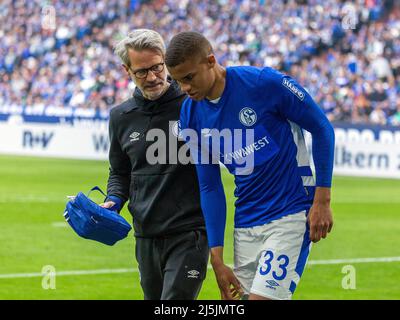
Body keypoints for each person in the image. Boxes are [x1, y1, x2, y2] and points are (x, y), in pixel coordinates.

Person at [165, 31, 335, 300]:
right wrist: (217, 257)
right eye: (177, 81)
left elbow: (322, 128)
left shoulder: (264, 84)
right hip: (245, 223)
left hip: (290, 212)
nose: (184, 88)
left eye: (188, 78)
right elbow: (209, 185)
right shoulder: (190, 115)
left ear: (211, 61)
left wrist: (322, 200)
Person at [101, 29, 208, 300]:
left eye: (157, 68)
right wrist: (114, 200)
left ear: (165, 61)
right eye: (142, 71)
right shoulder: (120, 117)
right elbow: (120, 172)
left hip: (189, 233)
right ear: (127, 70)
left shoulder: (194, 104)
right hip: (145, 234)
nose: (152, 77)